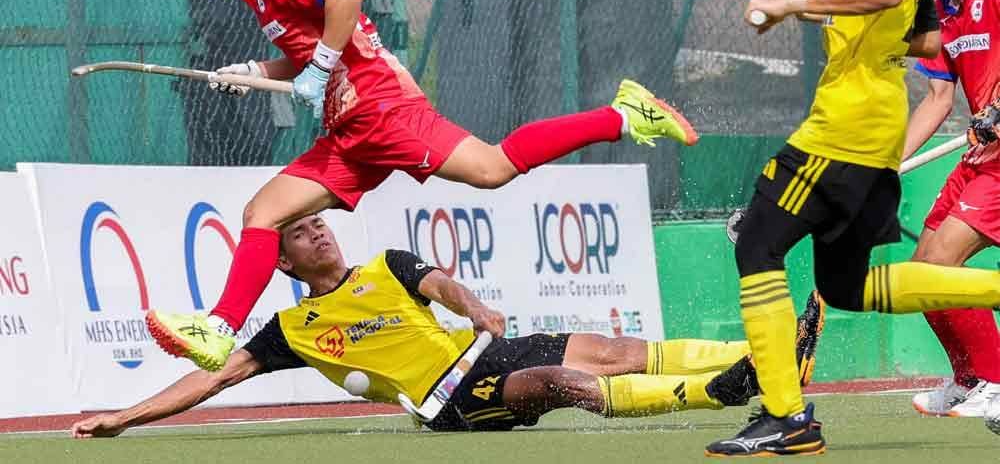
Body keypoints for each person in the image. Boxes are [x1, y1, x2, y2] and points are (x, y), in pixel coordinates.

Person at [146, 0, 699, 373]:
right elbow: (315, 40)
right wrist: (254, 71)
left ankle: (623, 113)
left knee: (491, 168)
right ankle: (219, 329)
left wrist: (316, 69)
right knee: (262, 213)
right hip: (350, 128)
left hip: (380, 110)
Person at [705, 0, 1000, 457]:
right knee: (844, 285)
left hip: (842, 125)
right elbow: (926, 39)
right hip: (878, 124)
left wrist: (795, 4)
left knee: (756, 242)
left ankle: (786, 416)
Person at [73, 215, 824, 438]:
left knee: (616, 346)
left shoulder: (385, 263)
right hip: (452, 401)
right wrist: (125, 417)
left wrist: (477, 310)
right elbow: (213, 375)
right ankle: (723, 391)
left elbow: (445, 286)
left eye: (321, 221)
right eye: (301, 234)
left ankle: (769, 360)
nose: (321, 233)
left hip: (485, 347)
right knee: (563, 381)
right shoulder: (291, 328)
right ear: (286, 263)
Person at [903, 0, 1000, 418]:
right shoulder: (941, 11)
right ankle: (968, 380)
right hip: (979, 157)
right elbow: (939, 99)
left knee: (945, 263)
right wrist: (886, 162)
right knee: (921, 270)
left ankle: (997, 380)